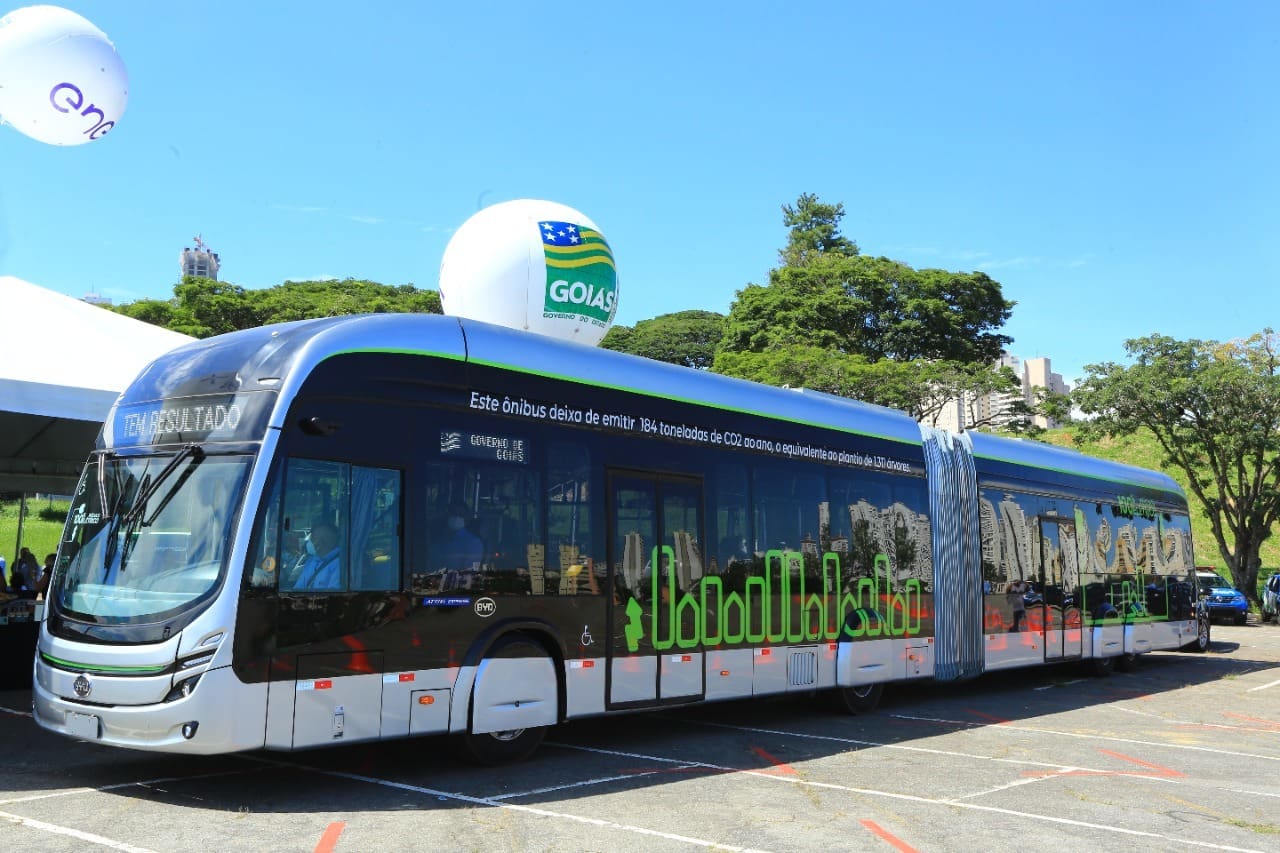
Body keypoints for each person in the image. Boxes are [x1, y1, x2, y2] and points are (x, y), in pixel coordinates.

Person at [288, 522, 343, 590]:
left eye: (312, 538)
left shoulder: (340, 565)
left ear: (319, 543)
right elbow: (298, 588)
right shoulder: (311, 561)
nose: (309, 542)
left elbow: (333, 594)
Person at [439, 504, 483, 569]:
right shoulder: (439, 540)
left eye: (460, 514)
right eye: (454, 513)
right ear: (447, 515)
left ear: (467, 518)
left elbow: (473, 569)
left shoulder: (475, 542)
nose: (456, 518)